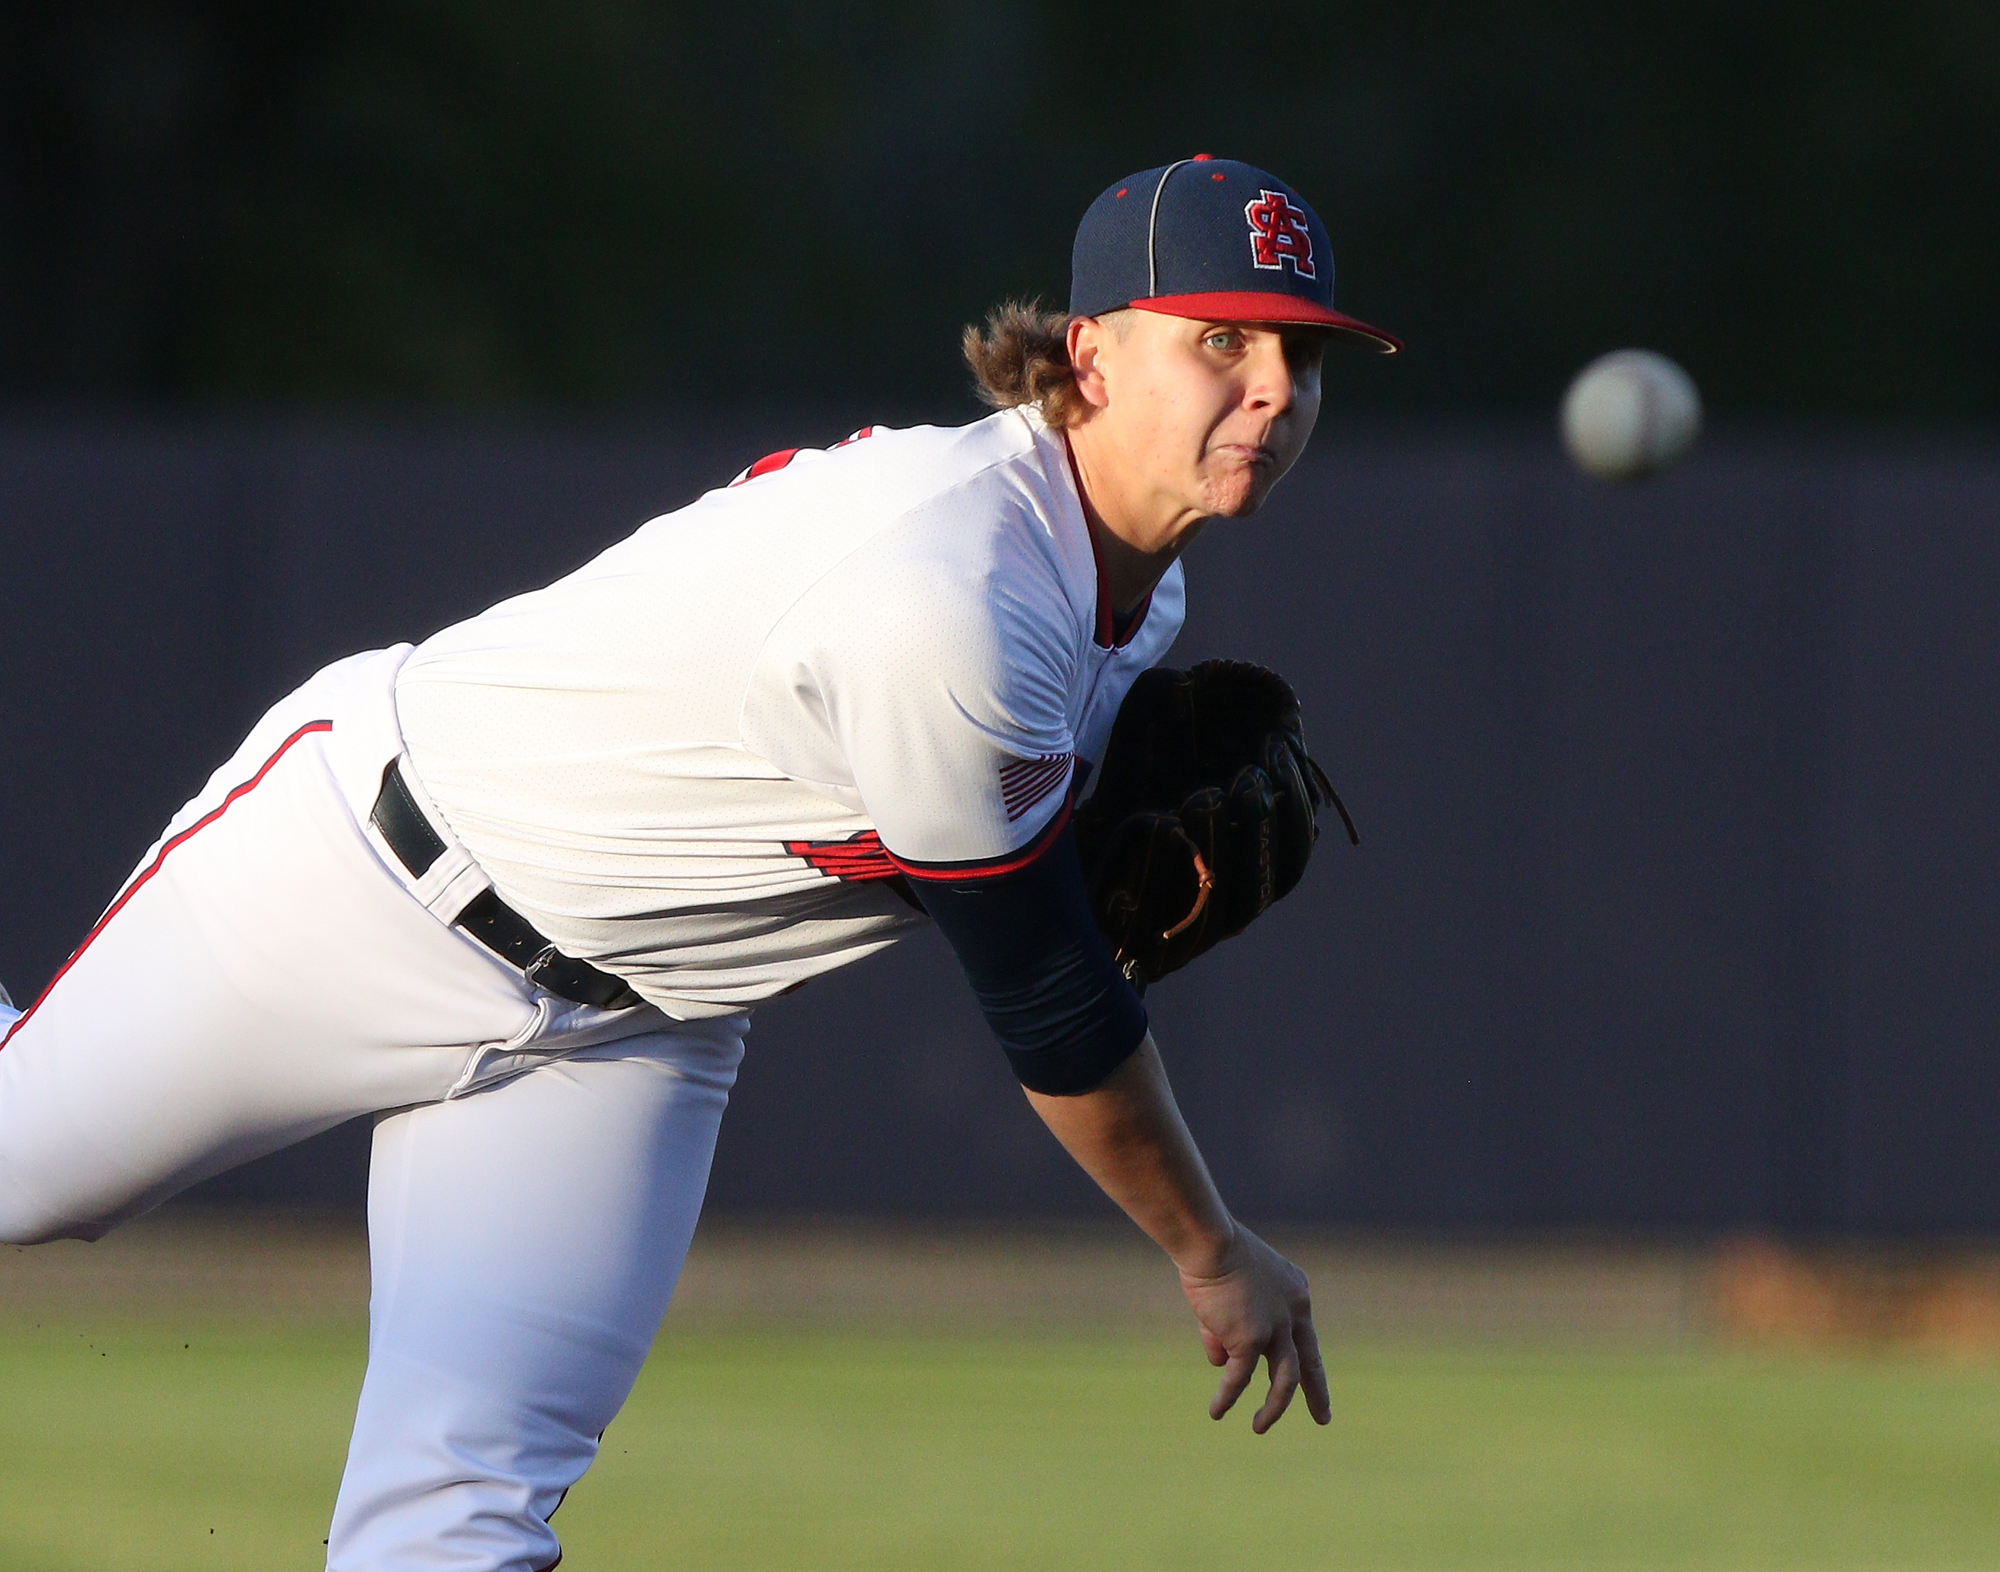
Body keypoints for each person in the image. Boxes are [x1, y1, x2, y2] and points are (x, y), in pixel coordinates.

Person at [0, 156, 1398, 1569]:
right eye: (1220, 339)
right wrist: (1213, 1250)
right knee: (17, 1175)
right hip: (368, 875)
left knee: (461, 1520)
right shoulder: (958, 593)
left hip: (628, 1032)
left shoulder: (1142, 598)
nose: (1274, 387)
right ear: (1088, 357)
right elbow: (1052, 1010)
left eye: (1303, 353)